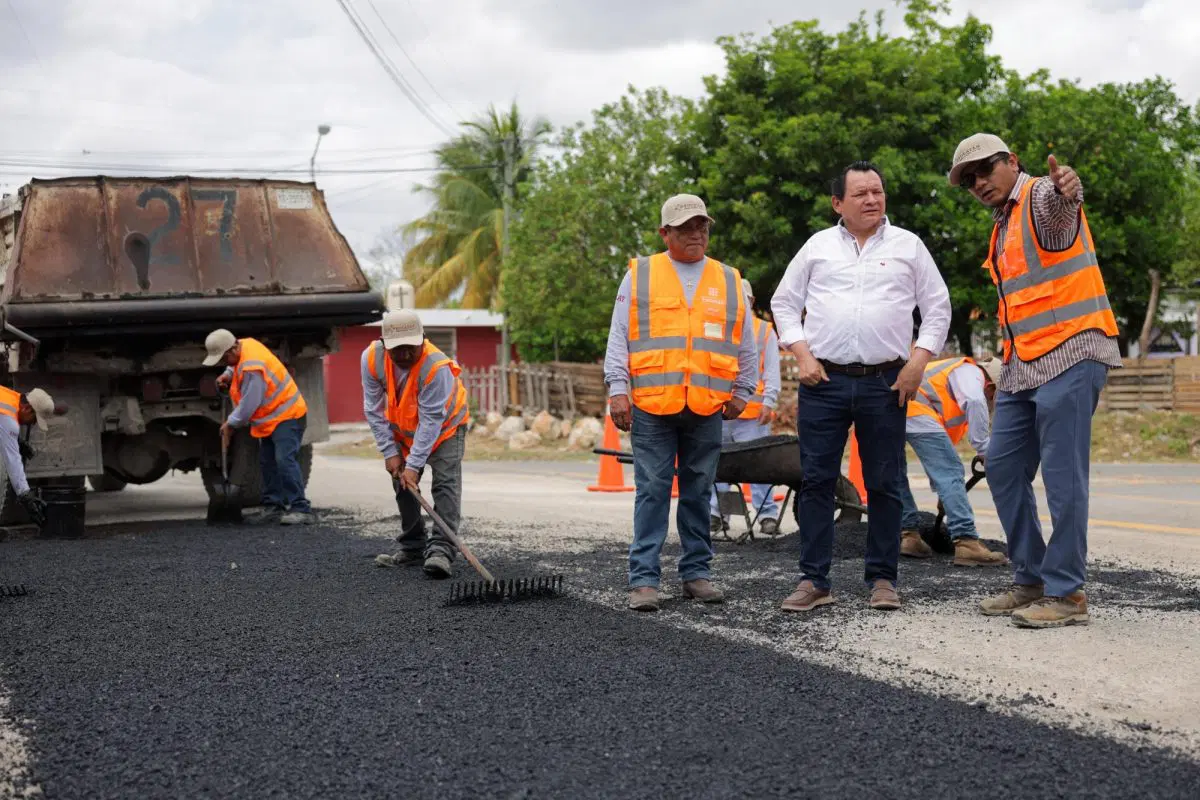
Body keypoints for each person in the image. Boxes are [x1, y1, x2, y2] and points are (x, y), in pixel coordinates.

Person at [949, 133, 1121, 629]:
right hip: (1024, 364)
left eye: (986, 170)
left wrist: (1069, 186)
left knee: (1063, 476)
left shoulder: (1041, 200)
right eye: (970, 180)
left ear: (1013, 162)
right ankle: (1031, 579)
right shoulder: (1002, 225)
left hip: (1073, 348)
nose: (979, 183)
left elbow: (1063, 201)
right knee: (1001, 465)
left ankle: (1068, 594)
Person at [770, 161, 951, 613]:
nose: (872, 200)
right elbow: (783, 302)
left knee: (885, 482)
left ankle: (884, 580)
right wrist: (803, 355)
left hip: (887, 382)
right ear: (838, 203)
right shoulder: (817, 247)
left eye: (878, 191)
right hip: (823, 381)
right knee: (816, 482)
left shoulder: (909, 246)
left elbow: (938, 309)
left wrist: (917, 363)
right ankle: (814, 580)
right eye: (861, 194)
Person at [604, 193, 759, 612]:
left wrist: (744, 389)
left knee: (698, 491)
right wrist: (618, 389)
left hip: (706, 406)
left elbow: (745, 340)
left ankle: (697, 575)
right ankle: (644, 581)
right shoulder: (640, 275)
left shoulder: (728, 279)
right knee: (652, 491)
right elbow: (619, 336)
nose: (696, 233)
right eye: (686, 227)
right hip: (653, 405)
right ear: (665, 232)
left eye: (702, 226)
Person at [366, 310, 470, 579]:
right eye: (396, 349)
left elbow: (432, 420)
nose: (404, 354)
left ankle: (441, 551)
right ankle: (413, 547)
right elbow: (373, 410)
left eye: (410, 347)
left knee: (445, 483)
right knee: (401, 481)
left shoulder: (437, 367)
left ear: (423, 339)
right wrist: (391, 453)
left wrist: (414, 465)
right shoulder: (371, 359)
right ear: (384, 344)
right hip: (405, 431)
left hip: (446, 427)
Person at [898, 356, 1007, 566]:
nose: (993, 405)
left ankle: (909, 535)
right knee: (951, 471)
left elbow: (938, 458)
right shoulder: (970, 372)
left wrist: (945, 494)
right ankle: (966, 541)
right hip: (915, 407)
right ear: (991, 387)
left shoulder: (947, 392)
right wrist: (984, 449)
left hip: (895, 408)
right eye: (996, 399)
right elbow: (975, 401)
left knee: (895, 473)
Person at [204, 329, 315, 526]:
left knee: (284, 460)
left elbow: (250, 403)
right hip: (271, 419)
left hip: (287, 416)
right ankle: (273, 507)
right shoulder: (245, 345)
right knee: (267, 461)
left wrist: (230, 424)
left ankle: (301, 508)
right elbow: (236, 365)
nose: (223, 363)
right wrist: (228, 374)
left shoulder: (251, 367)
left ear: (232, 349)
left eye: (224, 359)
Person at [709, 279, 782, 536]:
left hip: (752, 414)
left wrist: (769, 401)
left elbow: (772, 370)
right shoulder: (718, 327)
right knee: (719, 466)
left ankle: (766, 515)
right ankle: (717, 514)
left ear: (750, 302)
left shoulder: (763, 331)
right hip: (719, 410)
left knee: (759, 468)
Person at [0, 386, 57, 527]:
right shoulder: (8, 419)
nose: (32, 424)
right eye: (34, 420)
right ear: (26, 408)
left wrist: (17, 441)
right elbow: (13, 462)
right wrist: (26, 496)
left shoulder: (10, 397)